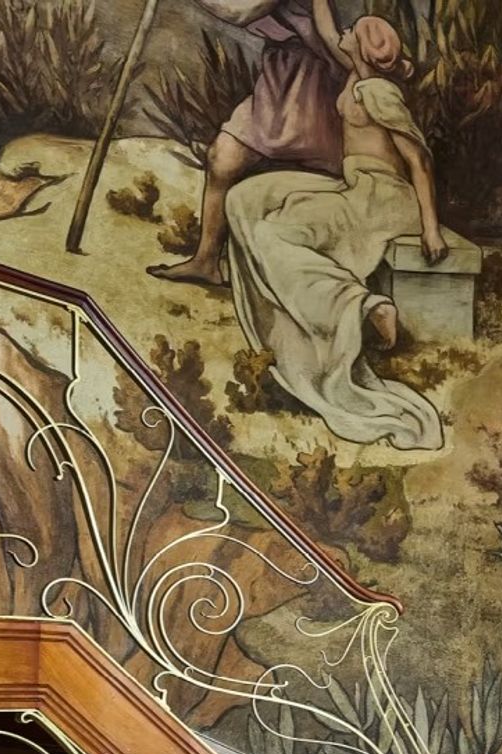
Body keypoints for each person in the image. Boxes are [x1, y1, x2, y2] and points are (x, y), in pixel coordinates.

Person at [223, 8, 448, 450]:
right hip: (356, 185)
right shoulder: (355, 74)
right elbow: (328, 31)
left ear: (361, 49)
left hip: (382, 200)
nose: (342, 33)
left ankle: (357, 306)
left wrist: (431, 229)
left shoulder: (378, 92)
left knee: (274, 235)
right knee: (246, 197)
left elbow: (419, 161)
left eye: (353, 32)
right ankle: (294, 299)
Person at [149, 0, 350, 287]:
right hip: (279, 73)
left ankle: (322, 281)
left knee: (324, 172)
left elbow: (240, 12)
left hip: (311, 81)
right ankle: (206, 262)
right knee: (223, 159)